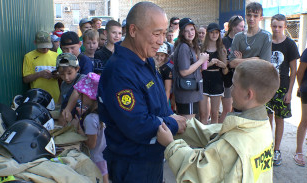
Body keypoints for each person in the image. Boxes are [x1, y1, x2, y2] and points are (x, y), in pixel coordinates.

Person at [97, 2, 187, 182]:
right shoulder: (120, 72)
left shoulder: (146, 60)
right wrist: (173, 124)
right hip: (133, 166)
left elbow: (157, 103)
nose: (162, 41)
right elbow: (137, 125)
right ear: (133, 30)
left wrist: (170, 115)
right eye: (156, 33)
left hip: (151, 159)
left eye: (164, 33)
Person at [157, 59, 279, 183]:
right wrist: (183, 124)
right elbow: (216, 134)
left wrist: (171, 145)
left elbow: (196, 171)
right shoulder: (262, 127)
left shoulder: (232, 146)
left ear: (248, 94)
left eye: (234, 85)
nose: (230, 89)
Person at [266, 14, 300, 166]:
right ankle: (267, 147)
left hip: (282, 88)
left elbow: (294, 70)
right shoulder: (266, 42)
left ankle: (277, 150)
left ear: (285, 27)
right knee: (267, 120)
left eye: (280, 26)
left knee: (279, 119)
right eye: (274, 26)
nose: (277, 29)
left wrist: (289, 92)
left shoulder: (290, 45)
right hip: (266, 88)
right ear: (270, 26)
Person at [70, 72, 109, 183]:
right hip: (105, 154)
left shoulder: (90, 119)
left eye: (82, 94)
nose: (80, 98)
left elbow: (91, 145)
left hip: (95, 158)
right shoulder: (103, 113)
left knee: (101, 177)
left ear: (89, 95)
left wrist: (80, 131)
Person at [173, 18, 209, 120]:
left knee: (187, 124)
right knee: (187, 125)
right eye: (186, 31)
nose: (190, 33)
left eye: (192, 29)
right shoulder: (184, 47)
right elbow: (184, 71)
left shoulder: (190, 46)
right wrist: (201, 61)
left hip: (190, 90)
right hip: (187, 92)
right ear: (182, 33)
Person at [229, 2, 272, 68]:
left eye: (255, 16)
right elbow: (232, 63)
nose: (251, 19)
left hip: (258, 77)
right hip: (241, 77)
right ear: (245, 16)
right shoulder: (238, 37)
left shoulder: (266, 36)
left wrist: (241, 60)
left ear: (261, 18)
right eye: (249, 15)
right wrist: (254, 59)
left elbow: (265, 64)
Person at [200, 23, 228, 124]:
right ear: (208, 34)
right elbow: (199, 69)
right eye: (212, 32)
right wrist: (210, 64)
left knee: (214, 113)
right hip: (204, 79)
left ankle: (214, 136)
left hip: (217, 80)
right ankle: (203, 136)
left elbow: (225, 72)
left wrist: (223, 65)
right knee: (203, 114)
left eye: (216, 32)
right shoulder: (202, 48)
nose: (214, 35)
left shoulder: (221, 49)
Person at [220, 15, 245, 123]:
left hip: (239, 78)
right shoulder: (224, 41)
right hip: (226, 78)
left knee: (235, 109)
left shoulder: (242, 40)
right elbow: (223, 61)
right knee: (226, 110)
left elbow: (243, 60)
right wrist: (233, 62)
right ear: (233, 27)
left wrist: (239, 60)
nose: (243, 29)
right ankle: (217, 133)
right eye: (241, 26)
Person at [23, 31, 60, 103]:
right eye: (42, 47)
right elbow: (25, 79)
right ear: (35, 43)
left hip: (55, 97)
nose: (45, 49)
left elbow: (63, 76)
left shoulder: (56, 56)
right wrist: (39, 74)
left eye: (47, 46)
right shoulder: (28, 57)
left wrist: (57, 75)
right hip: (37, 97)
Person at [55, 53, 85, 125]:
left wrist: (67, 110)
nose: (66, 78)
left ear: (77, 69)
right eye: (62, 74)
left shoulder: (83, 79)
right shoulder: (63, 84)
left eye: (69, 73)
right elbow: (62, 101)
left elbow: (76, 92)